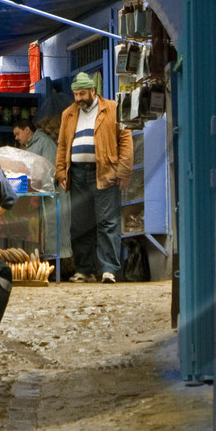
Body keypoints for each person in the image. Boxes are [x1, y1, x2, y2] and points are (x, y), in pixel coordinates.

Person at [54, 71, 133, 283]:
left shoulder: (112, 108)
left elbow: (125, 138)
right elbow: (62, 145)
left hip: (105, 172)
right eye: (76, 94)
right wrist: (61, 171)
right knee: (80, 225)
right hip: (77, 174)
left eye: (82, 94)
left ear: (92, 91)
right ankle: (84, 270)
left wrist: (124, 170)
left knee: (108, 222)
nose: (79, 98)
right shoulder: (68, 114)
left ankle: (109, 269)